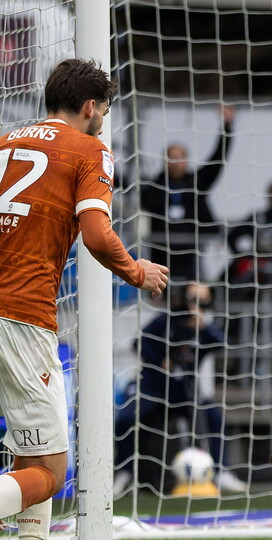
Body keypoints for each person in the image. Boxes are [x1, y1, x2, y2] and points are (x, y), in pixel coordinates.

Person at [0, 59, 169, 539]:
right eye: (105, 112)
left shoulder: (6, 141)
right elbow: (96, 234)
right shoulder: (90, 150)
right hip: (20, 313)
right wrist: (136, 271)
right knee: (50, 471)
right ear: (91, 107)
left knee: (29, 454)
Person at [113, 282, 246, 496]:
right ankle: (124, 472)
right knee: (127, 418)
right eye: (193, 298)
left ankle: (222, 471)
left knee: (214, 416)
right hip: (154, 389)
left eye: (202, 300)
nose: (196, 304)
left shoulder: (202, 327)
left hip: (185, 392)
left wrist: (202, 326)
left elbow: (223, 343)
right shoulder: (166, 321)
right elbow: (139, 344)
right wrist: (160, 361)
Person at [140, 104, 235, 282]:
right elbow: (128, 186)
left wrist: (227, 127)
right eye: (171, 158)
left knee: (194, 285)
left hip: (192, 253)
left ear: (186, 160)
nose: (176, 163)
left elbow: (217, 160)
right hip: (160, 251)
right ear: (164, 161)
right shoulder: (154, 187)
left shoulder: (196, 184)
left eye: (179, 158)